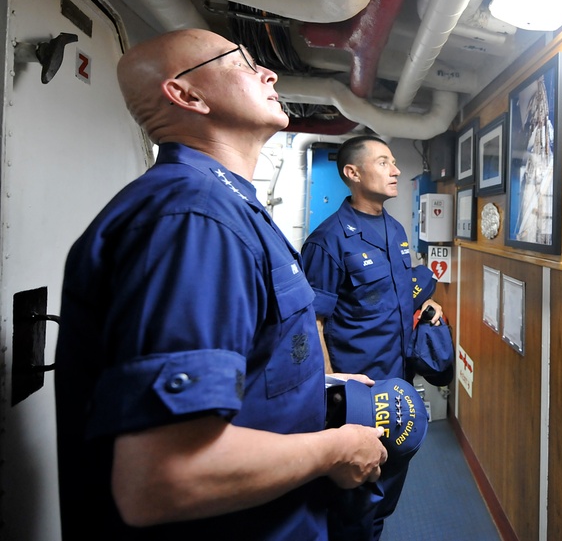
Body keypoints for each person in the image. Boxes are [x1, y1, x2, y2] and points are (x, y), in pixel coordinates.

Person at [54, 29, 388, 541]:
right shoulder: (194, 217)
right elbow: (163, 477)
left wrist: (317, 389)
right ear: (187, 94)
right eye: (242, 62)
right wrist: (336, 449)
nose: (268, 72)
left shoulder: (227, 205)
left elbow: (249, 357)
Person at [301, 134, 442, 541]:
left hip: (397, 381)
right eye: (384, 162)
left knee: (386, 490)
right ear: (353, 172)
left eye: (394, 161)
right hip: (357, 395)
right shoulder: (328, 241)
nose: (396, 170)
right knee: (352, 503)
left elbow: (396, 297)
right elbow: (313, 324)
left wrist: (424, 308)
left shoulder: (396, 230)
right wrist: (329, 390)